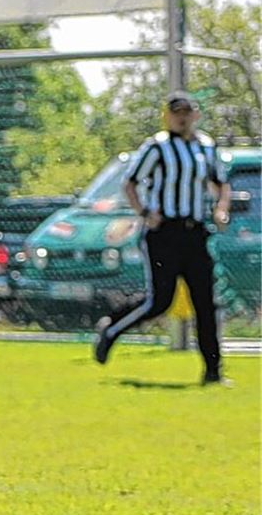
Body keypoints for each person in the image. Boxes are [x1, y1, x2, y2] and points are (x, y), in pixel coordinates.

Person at [93, 91, 232, 385]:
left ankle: (213, 371)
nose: (182, 118)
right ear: (167, 116)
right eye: (176, 112)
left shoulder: (206, 146)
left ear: (196, 115)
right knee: (161, 301)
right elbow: (129, 183)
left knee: (205, 304)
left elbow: (221, 184)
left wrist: (221, 209)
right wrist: (144, 211)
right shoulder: (156, 147)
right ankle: (112, 330)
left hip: (195, 233)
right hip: (163, 234)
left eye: (186, 112)